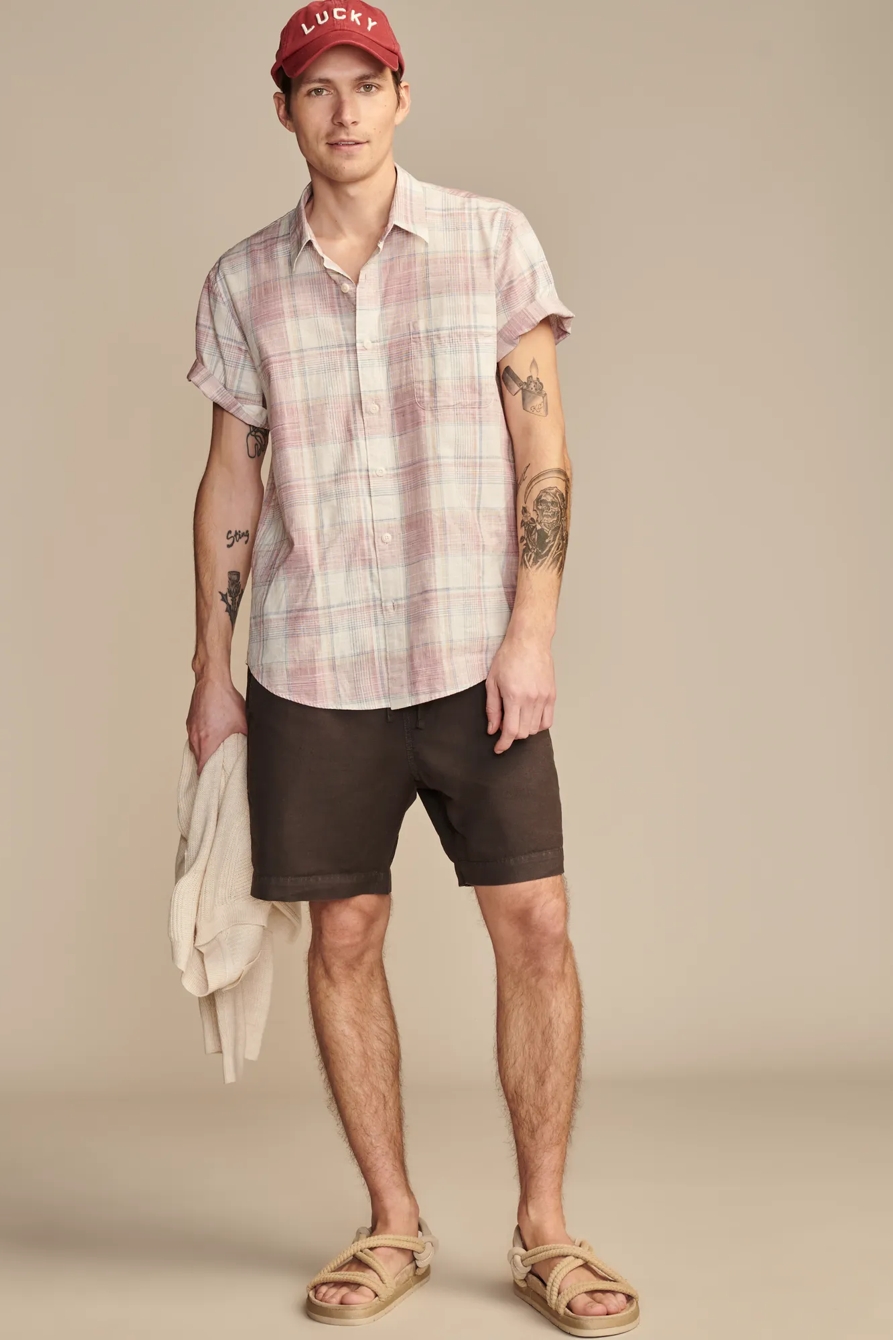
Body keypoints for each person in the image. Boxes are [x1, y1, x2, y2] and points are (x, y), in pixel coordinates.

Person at [184, 3, 640, 1332]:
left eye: (364, 84)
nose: (343, 110)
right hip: (314, 663)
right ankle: (391, 1223)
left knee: (535, 925)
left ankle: (546, 1232)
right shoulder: (243, 282)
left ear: (400, 96)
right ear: (284, 110)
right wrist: (211, 673)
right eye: (315, 88)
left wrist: (531, 630)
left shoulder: (492, 243)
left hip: (471, 654)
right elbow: (229, 484)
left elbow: (543, 451)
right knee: (344, 937)